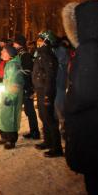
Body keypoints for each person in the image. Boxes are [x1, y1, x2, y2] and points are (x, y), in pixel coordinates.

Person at [62, 0, 98, 195]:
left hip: (93, 131)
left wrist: (68, 106)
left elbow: (84, 93)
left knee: (96, 185)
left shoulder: (89, 49)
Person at [32, 30, 63, 158]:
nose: (38, 41)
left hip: (46, 91)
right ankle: (48, 141)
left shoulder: (47, 55)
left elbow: (50, 77)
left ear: (46, 41)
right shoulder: (41, 53)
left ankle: (57, 148)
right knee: (43, 116)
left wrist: (47, 95)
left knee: (49, 119)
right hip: (40, 89)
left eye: (40, 39)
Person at [13, 35, 40, 139]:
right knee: (27, 110)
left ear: (19, 43)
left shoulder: (25, 55)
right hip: (21, 86)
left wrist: (16, 72)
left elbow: (28, 71)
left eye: (15, 42)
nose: (13, 44)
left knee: (30, 110)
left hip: (26, 86)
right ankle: (33, 131)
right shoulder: (19, 54)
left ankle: (35, 132)